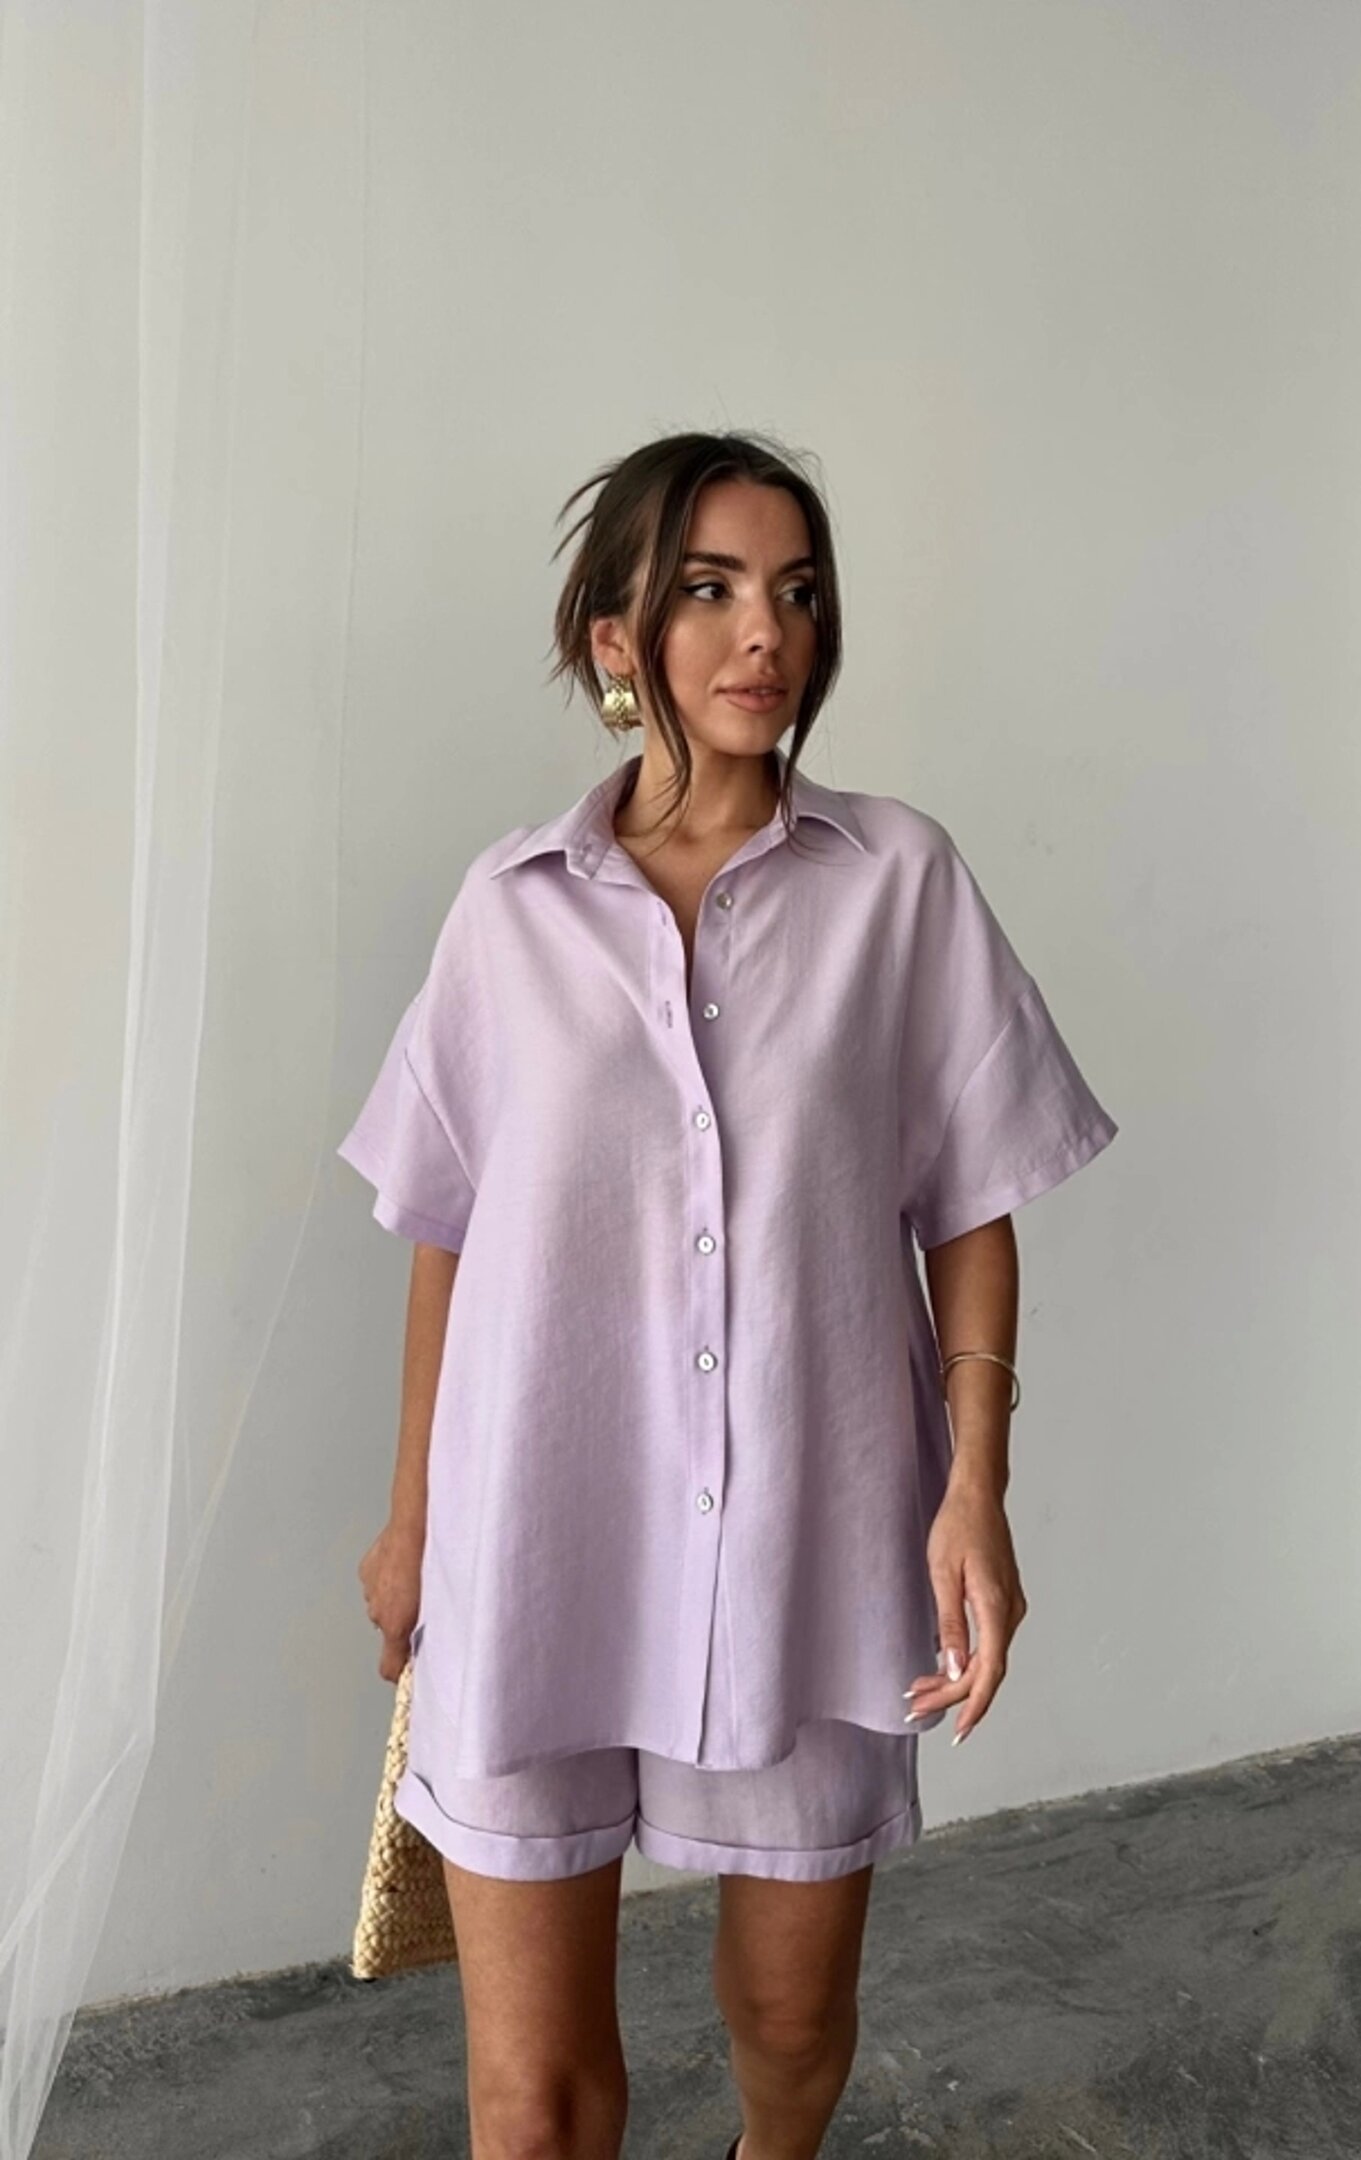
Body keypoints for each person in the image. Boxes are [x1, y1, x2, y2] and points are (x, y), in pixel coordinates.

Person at [341, 429, 1119, 2160]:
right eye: (709, 590)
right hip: (535, 1539)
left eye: (796, 591)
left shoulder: (898, 884)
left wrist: (975, 1487)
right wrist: (410, 1522)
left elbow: (971, 1200)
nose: (766, 631)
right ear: (616, 641)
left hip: (811, 1541)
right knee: (536, 2101)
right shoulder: (507, 912)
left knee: (790, 2023)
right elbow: (445, 1223)